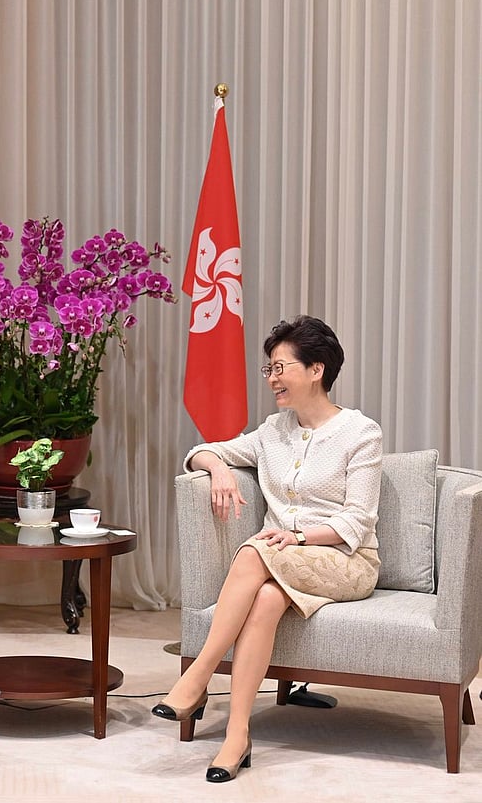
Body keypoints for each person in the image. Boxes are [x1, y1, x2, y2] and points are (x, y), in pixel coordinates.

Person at [152, 315, 382, 783]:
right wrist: (217, 468)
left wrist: (298, 537)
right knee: (266, 597)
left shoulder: (361, 434)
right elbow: (200, 450)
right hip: (283, 565)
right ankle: (238, 735)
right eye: (269, 369)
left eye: (281, 367)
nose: (272, 378)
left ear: (316, 370)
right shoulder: (272, 431)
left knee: (255, 551)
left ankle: (197, 676)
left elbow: (358, 520)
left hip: (345, 561)